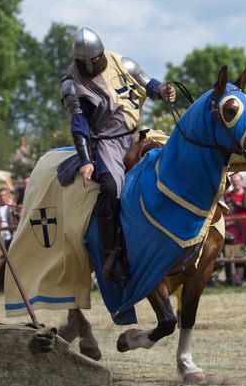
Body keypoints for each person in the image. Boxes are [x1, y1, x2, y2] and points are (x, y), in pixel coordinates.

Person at [60, 27, 175, 283]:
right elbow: (78, 124)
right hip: (107, 143)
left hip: (139, 134)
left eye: (94, 60)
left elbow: (150, 85)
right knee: (111, 188)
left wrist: (163, 92)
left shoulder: (124, 63)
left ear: (100, 54)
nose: (90, 65)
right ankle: (111, 255)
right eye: (84, 62)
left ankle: (205, 222)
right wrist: (86, 161)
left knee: (179, 160)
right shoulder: (71, 84)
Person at [224, 173, 246, 286]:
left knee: (242, 255)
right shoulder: (228, 195)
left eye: (237, 180)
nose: (236, 183)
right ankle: (231, 280)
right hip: (231, 229)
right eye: (233, 181)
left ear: (241, 181)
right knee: (229, 256)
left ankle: (244, 278)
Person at [0, 187, 19, 252]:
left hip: (12, 235)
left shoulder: (13, 206)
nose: (2, 197)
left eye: (4, 195)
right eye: (0, 196)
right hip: (0, 236)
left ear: (7, 196)